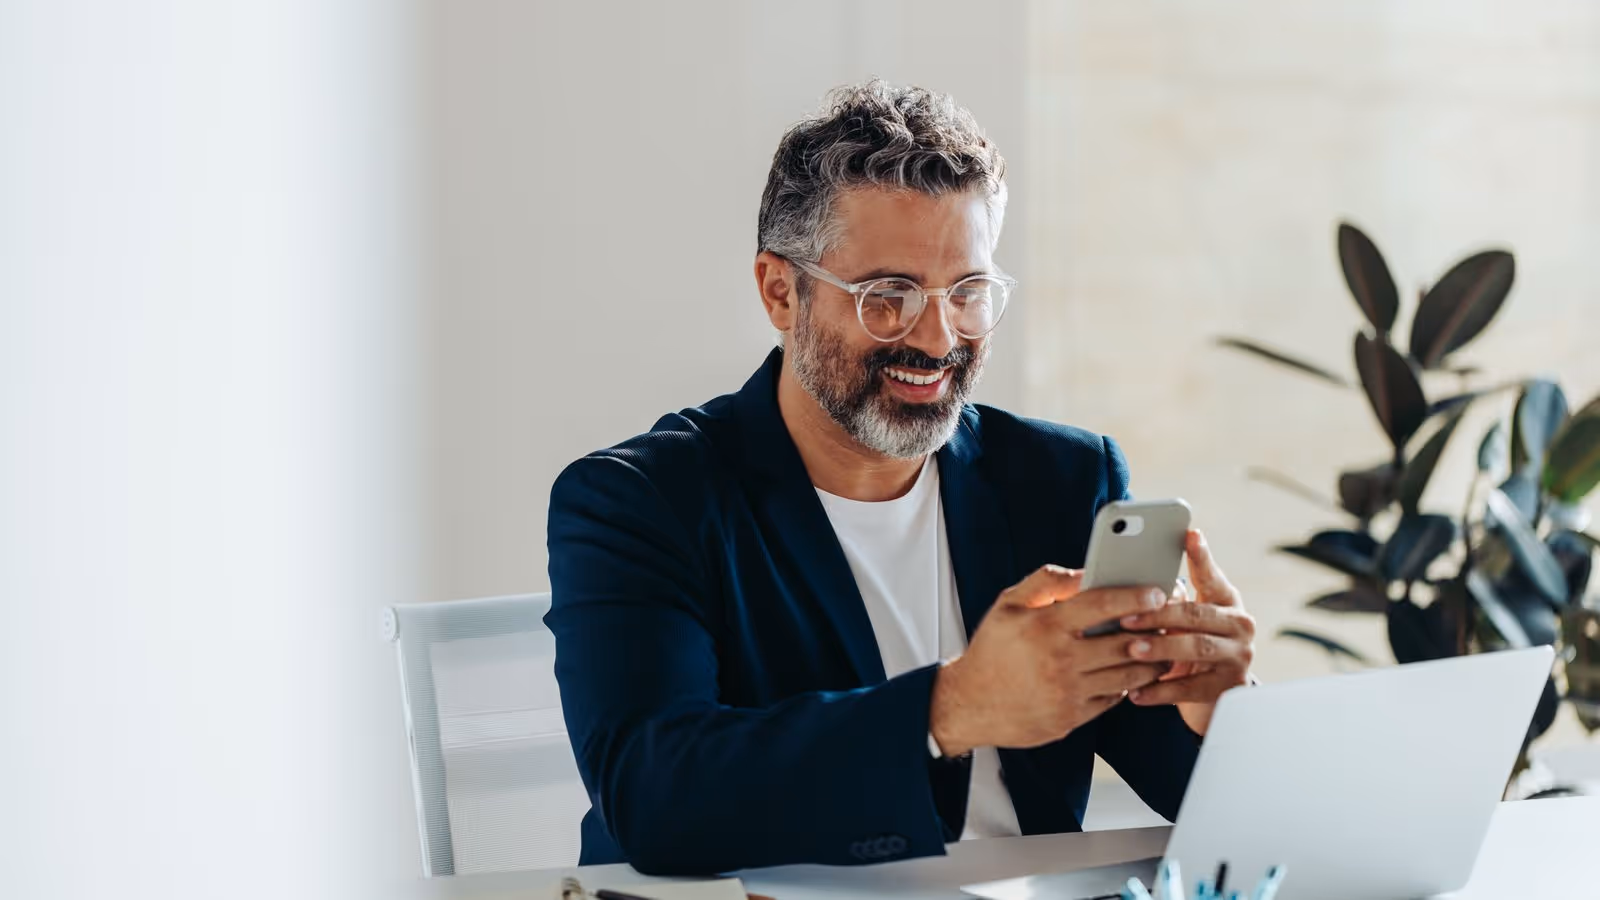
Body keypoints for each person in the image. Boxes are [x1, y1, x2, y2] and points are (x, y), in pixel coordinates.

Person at [546, 80, 1256, 876]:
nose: (937, 335)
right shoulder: (639, 502)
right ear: (782, 292)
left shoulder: (1060, 479)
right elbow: (656, 798)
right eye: (889, 297)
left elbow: (1196, 792)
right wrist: (952, 709)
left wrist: (1212, 715)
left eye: (969, 293)